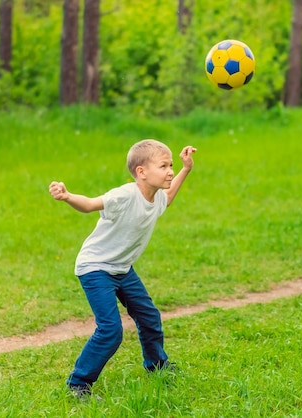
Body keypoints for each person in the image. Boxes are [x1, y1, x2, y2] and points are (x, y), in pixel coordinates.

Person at [49, 139, 197, 399]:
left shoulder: (157, 197)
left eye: (171, 165)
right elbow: (91, 204)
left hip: (121, 268)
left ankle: (157, 366)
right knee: (111, 330)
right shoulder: (125, 195)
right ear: (141, 172)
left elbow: (169, 197)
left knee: (149, 317)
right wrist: (67, 196)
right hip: (95, 267)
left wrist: (186, 169)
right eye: (164, 166)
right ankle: (78, 384)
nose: (170, 171)